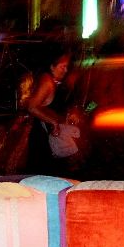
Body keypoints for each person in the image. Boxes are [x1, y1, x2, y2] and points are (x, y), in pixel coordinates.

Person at [18, 45, 72, 174]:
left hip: (44, 136)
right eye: (63, 66)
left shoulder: (49, 80)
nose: (66, 70)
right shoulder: (47, 82)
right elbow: (32, 106)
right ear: (52, 66)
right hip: (43, 139)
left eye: (67, 67)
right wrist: (53, 121)